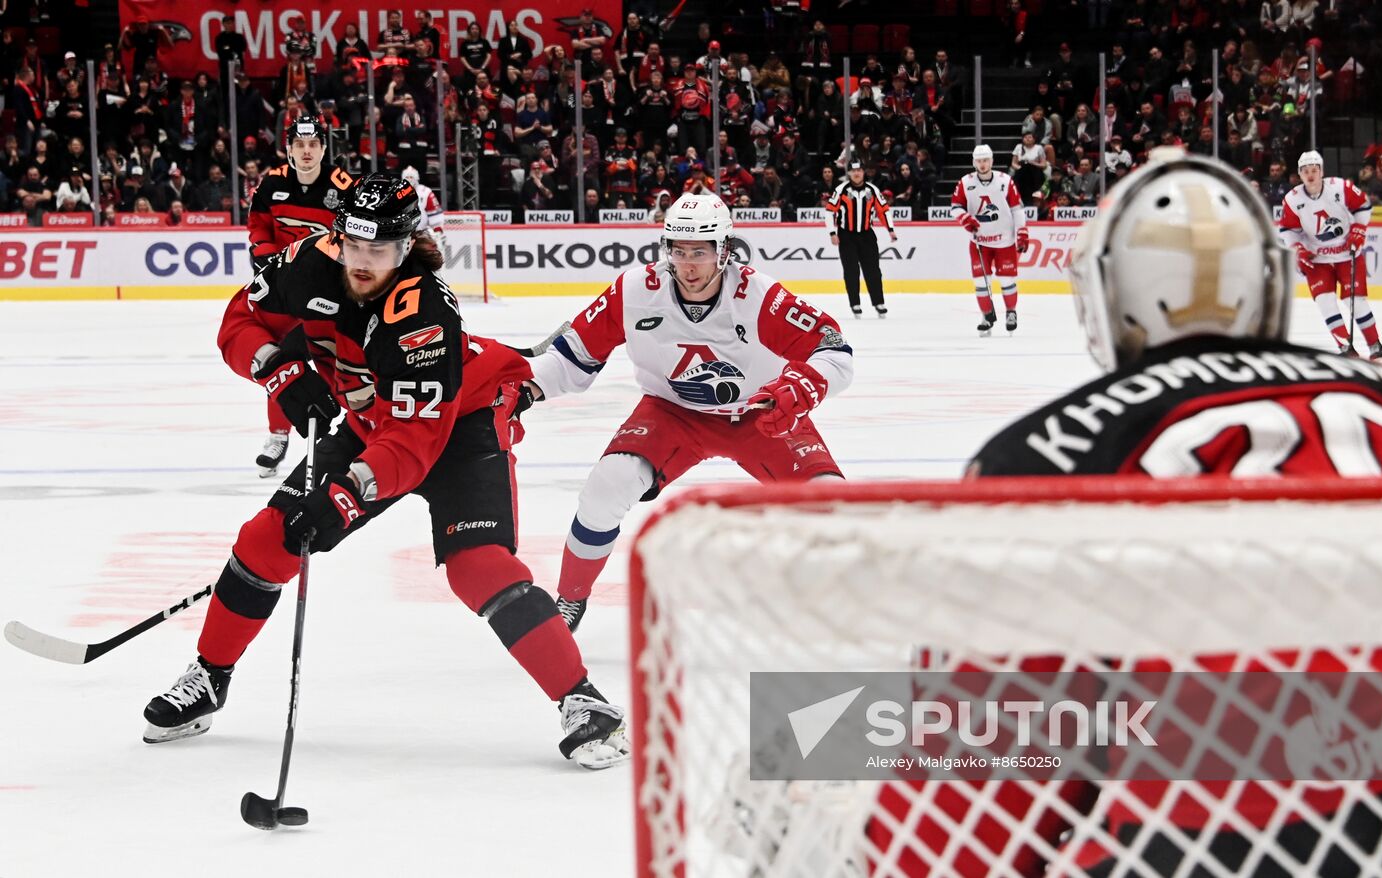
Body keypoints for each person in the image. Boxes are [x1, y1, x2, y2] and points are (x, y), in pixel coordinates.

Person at [954, 148, 1382, 877]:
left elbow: (980, 797)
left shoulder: (1039, 453)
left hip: (1215, 828)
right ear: (1270, 285)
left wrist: (801, 743)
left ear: (1104, 296)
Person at [142, 173, 628, 770]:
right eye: (354, 246)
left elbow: (415, 444)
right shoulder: (305, 262)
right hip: (375, 419)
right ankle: (210, 678)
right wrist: (279, 372)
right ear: (337, 237)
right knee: (265, 538)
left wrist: (343, 498)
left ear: (406, 248)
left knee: (478, 567)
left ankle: (582, 701)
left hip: (461, 420)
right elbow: (239, 322)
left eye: (381, 251)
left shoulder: (425, 308)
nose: (364, 262)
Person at [523, 193, 854, 631]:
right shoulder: (636, 289)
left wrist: (802, 387)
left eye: (699, 251)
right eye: (678, 251)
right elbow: (571, 356)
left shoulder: (758, 295)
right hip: (671, 411)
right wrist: (527, 388)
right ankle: (570, 599)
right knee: (607, 486)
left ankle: (853, 605)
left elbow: (834, 349)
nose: (687, 264)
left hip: (760, 412)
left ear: (724, 251)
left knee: (831, 502)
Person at [245, 115, 356, 478]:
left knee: (336, 361)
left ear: (324, 148)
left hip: (328, 293)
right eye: (299, 145)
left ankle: (347, 431)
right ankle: (278, 435)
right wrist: (263, 254)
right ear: (289, 149)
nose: (307, 152)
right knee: (280, 361)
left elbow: (356, 237)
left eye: (313, 145)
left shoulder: (342, 187)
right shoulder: (272, 183)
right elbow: (258, 226)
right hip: (283, 291)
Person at [1280, 150, 1382, 362]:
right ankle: (1346, 347)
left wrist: (1358, 230)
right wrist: (1298, 249)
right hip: (1316, 259)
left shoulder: (1340, 187)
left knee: (1355, 301)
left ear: (1322, 171)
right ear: (1300, 175)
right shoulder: (1292, 199)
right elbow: (1287, 230)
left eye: (1314, 170)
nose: (1310, 175)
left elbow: (1363, 206)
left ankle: (1375, 346)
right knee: (1325, 302)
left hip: (1347, 254)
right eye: (1305, 171)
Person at [950, 144, 1028, 337]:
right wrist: (965, 219)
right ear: (974, 162)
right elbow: (955, 206)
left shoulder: (1005, 180)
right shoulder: (965, 182)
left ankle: (1011, 312)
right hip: (979, 242)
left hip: (1005, 240)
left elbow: (1016, 209)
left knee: (1007, 279)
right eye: (979, 160)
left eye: (986, 160)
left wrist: (1022, 232)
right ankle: (986, 316)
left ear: (992, 161)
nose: (983, 164)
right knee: (980, 282)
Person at [824, 160, 897, 319]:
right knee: (851, 271)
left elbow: (883, 211)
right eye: (853, 171)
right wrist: (832, 233)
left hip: (867, 235)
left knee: (873, 270)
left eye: (859, 171)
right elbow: (830, 211)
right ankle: (854, 303)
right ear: (849, 173)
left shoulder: (873, 190)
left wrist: (890, 230)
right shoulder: (841, 189)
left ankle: (879, 302)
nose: (856, 174)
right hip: (846, 235)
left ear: (863, 172)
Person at [399, 165, 446, 251]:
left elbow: (436, 217)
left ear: (417, 178)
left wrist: (438, 232)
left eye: (411, 177)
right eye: (407, 177)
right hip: (403, 237)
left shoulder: (425, 192)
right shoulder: (397, 193)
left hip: (422, 235)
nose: (409, 179)